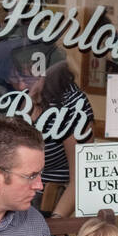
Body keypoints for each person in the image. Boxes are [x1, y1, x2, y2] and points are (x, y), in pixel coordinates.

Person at [28, 61, 94, 220]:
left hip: (43, 209)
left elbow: (81, 178)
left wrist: (53, 227)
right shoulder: (12, 96)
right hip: (5, 207)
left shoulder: (71, 103)